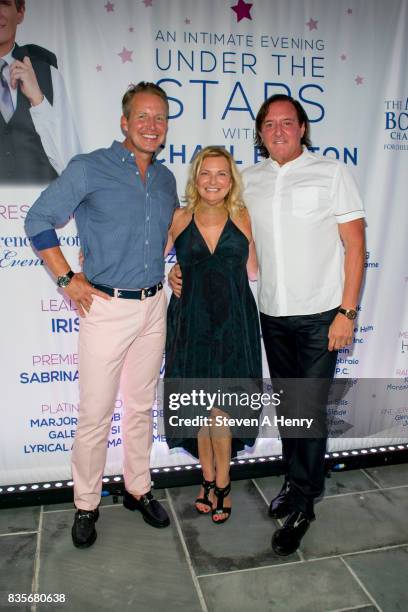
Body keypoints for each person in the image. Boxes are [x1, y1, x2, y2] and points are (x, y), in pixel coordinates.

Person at [169, 94, 365, 553]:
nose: (278, 131)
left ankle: (303, 501)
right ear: (259, 133)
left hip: (322, 315)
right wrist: (179, 271)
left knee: (310, 410)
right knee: (292, 410)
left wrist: (348, 312)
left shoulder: (332, 173)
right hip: (270, 315)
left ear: (302, 128)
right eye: (269, 124)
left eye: (287, 123)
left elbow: (355, 247)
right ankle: (296, 484)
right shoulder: (247, 184)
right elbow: (216, 240)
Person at [25, 81, 179, 548]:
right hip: (106, 307)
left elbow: (165, 233)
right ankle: (87, 504)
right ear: (124, 121)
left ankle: (138, 488)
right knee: (94, 414)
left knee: (140, 407)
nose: (152, 126)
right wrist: (68, 279)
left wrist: (173, 271)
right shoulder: (90, 167)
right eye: (143, 117)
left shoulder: (167, 178)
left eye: (160, 118)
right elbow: (37, 220)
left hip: (155, 307)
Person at [164, 146, 262, 524]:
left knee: (221, 407)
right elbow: (150, 261)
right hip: (190, 322)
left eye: (222, 174)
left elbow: (253, 269)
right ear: (195, 177)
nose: (213, 181)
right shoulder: (178, 217)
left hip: (233, 322)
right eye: (206, 173)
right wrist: (170, 276)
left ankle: (223, 481)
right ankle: (206, 477)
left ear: (231, 180)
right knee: (199, 406)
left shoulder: (242, 215)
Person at [0, 0, 80, 184]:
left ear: (20, 13)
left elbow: (72, 164)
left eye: (3, 3)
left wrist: (38, 99)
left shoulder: (48, 73)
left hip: (39, 208)